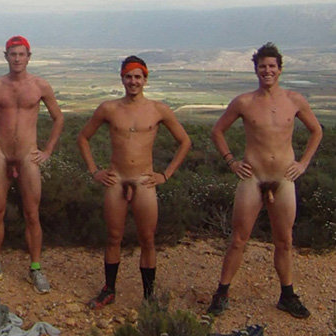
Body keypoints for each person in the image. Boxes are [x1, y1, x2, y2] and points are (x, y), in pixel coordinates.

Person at [206, 43, 322, 319]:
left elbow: (316, 131)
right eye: (262, 66)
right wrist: (232, 161)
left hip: (284, 179)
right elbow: (217, 131)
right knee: (238, 239)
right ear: (256, 70)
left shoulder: (295, 100)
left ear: (280, 69)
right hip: (253, 178)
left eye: (272, 66)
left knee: (285, 240)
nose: (267, 71)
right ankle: (222, 293)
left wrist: (303, 164)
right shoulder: (244, 102)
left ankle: (287, 295)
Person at [77, 55, 191, 308]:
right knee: (113, 237)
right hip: (116, 179)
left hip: (144, 181)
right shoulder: (108, 108)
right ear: (122, 79)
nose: (133, 81)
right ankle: (109, 290)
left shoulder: (159, 110)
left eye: (138, 77)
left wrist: (165, 174)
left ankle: (149, 296)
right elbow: (83, 138)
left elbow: (185, 142)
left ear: (145, 79)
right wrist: (94, 170)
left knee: (147, 239)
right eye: (128, 76)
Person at [0, 36, 64, 294]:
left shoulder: (40, 86)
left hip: (27, 156)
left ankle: (35, 268)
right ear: (6, 56)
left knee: (32, 214)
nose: (17, 59)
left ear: (29, 57)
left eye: (21, 54)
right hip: (0, 154)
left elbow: (58, 118)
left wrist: (47, 151)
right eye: (13, 54)